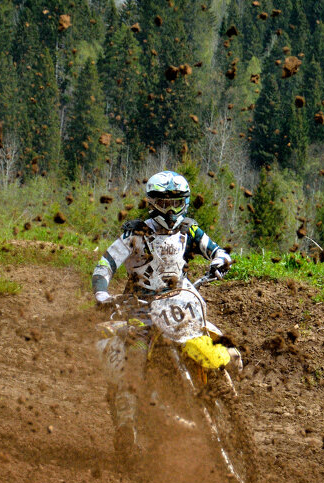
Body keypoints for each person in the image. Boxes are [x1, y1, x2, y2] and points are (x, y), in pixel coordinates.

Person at [91, 170, 233, 455]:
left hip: (180, 302)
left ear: (186, 202)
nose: (169, 210)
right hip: (141, 308)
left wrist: (220, 261)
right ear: (151, 202)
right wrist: (102, 294)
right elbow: (104, 265)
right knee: (135, 362)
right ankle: (127, 429)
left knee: (220, 341)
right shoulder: (135, 233)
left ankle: (225, 392)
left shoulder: (190, 230)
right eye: (163, 203)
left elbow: (218, 251)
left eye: (175, 203)